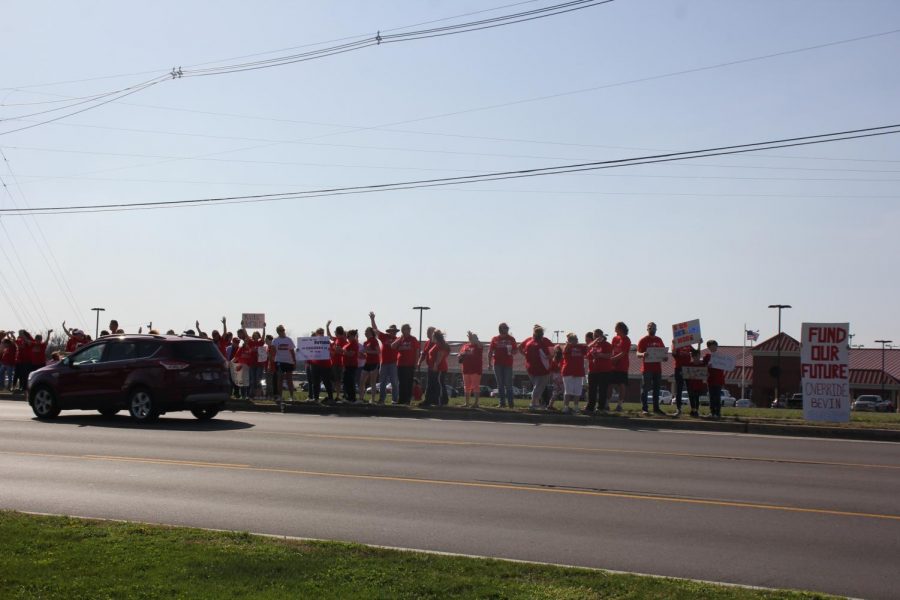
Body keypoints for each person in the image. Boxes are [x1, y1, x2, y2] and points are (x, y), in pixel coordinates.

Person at [637, 322, 667, 416]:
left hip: (657, 369)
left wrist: (665, 357)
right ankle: (645, 409)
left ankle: (656, 409)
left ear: (656, 329)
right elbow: (637, 354)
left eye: (653, 327)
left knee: (657, 389)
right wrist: (643, 354)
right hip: (647, 368)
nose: (652, 329)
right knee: (645, 389)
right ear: (647, 329)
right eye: (650, 327)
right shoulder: (643, 340)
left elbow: (663, 353)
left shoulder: (659, 340)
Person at [520, 325, 553, 410]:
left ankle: (536, 403)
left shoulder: (529, 342)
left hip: (530, 368)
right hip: (542, 368)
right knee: (539, 387)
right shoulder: (541, 343)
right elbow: (548, 355)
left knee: (536, 386)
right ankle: (533, 403)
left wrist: (525, 354)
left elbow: (520, 348)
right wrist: (552, 356)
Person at [369, 313, 399, 404]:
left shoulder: (398, 339)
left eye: (394, 331)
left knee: (394, 382)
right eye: (391, 330)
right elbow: (375, 329)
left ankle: (394, 400)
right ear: (389, 331)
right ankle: (382, 399)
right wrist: (372, 319)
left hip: (393, 363)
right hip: (384, 363)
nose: (392, 332)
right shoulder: (384, 336)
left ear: (396, 332)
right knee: (382, 382)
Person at [488, 323, 517, 409]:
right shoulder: (495, 339)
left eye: (507, 328)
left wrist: (512, 352)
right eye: (505, 328)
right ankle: (502, 403)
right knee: (500, 384)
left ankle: (511, 404)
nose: (507, 329)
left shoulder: (511, 339)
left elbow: (515, 350)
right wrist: (489, 363)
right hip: (497, 364)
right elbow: (490, 351)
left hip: (508, 364)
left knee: (508, 384)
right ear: (501, 329)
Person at [586, 329, 613, 412]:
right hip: (593, 370)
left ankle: (600, 407)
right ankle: (590, 407)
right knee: (592, 390)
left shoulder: (607, 345)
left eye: (597, 336)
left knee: (602, 390)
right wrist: (592, 354)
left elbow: (609, 355)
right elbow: (588, 356)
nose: (596, 337)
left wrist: (600, 354)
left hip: (604, 370)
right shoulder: (593, 345)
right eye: (594, 336)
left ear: (601, 336)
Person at [392, 324, 419, 404]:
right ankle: (401, 400)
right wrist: (400, 338)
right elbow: (392, 346)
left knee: (408, 383)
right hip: (400, 364)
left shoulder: (413, 339)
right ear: (403, 330)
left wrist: (416, 362)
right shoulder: (400, 339)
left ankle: (407, 400)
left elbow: (417, 351)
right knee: (401, 383)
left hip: (410, 364)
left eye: (409, 329)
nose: (409, 330)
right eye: (407, 329)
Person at [308, 327, 335, 404]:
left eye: (322, 332)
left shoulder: (327, 342)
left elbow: (332, 354)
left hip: (326, 365)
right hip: (315, 365)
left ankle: (330, 398)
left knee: (327, 383)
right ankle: (316, 399)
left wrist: (333, 351)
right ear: (316, 334)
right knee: (315, 383)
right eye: (319, 332)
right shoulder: (312, 342)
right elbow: (308, 351)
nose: (321, 334)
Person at [609, 322, 631, 412]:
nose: (615, 329)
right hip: (613, 366)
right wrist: (611, 359)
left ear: (621, 328)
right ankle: (607, 403)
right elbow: (612, 350)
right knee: (610, 384)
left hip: (622, 366)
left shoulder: (626, 339)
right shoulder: (615, 338)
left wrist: (613, 359)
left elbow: (623, 353)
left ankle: (620, 405)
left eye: (616, 327)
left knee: (622, 385)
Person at [424, 329, 449, 407]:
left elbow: (440, 356)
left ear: (436, 337)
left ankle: (441, 400)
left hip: (439, 368)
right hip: (433, 368)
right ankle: (431, 400)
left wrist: (435, 365)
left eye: (433, 336)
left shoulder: (440, 345)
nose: (431, 337)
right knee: (432, 384)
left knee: (439, 384)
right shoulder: (436, 344)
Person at [272, 325, 296, 402]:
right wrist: (272, 362)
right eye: (281, 330)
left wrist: (294, 362)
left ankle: (292, 396)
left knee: (289, 379)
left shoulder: (289, 340)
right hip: (279, 361)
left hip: (289, 362)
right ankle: (280, 396)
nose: (283, 332)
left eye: (283, 330)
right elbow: (273, 352)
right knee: (280, 379)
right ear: (278, 332)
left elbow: (292, 352)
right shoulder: (275, 340)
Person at [459, 331, 484, 408]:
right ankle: (467, 403)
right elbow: (460, 354)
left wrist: (474, 338)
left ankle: (476, 403)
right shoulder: (465, 346)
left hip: (475, 369)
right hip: (466, 369)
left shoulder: (478, 346)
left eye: (475, 338)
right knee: (466, 386)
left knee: (475, 386)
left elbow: (480, 345)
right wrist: (460, 356)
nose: (472, 339)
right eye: (471, 338)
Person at [703, 340, 725, 418]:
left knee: (717, 397)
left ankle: (718, 413)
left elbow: (727, 365)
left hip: (719, 379)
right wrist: (707, 366)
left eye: (715, 345)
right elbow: (703, 366)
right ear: (709, 347)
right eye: (711, 346)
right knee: (711, 397)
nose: (713, 347)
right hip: (710, 379)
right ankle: (712, 412)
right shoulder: (707, 356)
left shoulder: (721, 356)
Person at [671, 339, 693, 417]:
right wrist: (674, 344)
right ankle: (678, 409)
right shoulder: (676, 343)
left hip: (688, 368)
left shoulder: (688, 344)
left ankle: (693, 409)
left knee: (690, 389)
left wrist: (699, 344)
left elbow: (696, 353)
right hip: (679, 368)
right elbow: (673, 354)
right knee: (679, 389)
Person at [359, 327, 381, 403]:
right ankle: (361, 399)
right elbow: (366, 354)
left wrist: (367, 351)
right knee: (362, 381)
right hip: (367, 363)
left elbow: (378, 351)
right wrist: (361, 355)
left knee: (372, 382)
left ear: (370, 332)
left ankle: (373, 399)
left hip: (374, 363)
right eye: (365, 331)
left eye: (366, 331)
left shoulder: (374, 340)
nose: (365, 332)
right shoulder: (365, 342)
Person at [326, 321, 347, 399]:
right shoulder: (336, 339)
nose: (334, 333)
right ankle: (334, 395)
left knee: (338, 380)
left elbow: (342, 352)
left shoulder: (344, 341)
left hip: (339, 363)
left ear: (338, 332)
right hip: (334, 362)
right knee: (334, 380)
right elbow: (329, 336)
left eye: (335, 331)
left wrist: (334, 351)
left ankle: (338, 395)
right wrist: (327, 327)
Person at [340, 329, 360, 403]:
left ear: (353, 336)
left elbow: (351, 354)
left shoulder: (354, 344)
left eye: (348, 336)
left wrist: (343, 351)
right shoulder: (347, 344)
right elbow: (344, 353)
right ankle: (348, 397)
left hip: (352, 365)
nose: (347, 337)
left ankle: (352, 398)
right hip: (346, 365)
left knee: (350, 382)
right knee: (346, 382)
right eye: (347, 336)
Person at [686, 348, 705, 417]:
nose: (697, 358)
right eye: (696, 356)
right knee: (691, 398)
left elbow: (705, 374)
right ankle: (692, 410)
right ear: (693, 357)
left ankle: (696, 411)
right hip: (691, 385)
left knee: (696, 398)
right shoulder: (689, 365)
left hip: (698, 385)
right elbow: (686, 374)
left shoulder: (702, 365)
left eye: (698, 356)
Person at [546, 345, 564, 411]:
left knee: (556, 391)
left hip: (555, 376)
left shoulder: (553, 360)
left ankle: (550, 405)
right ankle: (565, 406)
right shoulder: (562, 359)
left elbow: (550, 369)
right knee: (564, 391)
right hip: (560, 376)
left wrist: (551, 377)